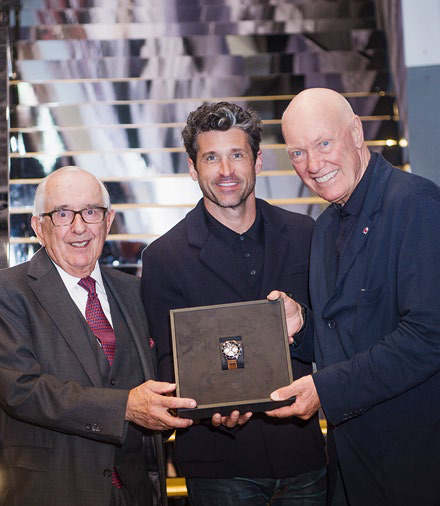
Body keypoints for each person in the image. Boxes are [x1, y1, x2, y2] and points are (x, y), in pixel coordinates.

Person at [141, 102, 327, 506]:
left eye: (237, 155)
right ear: (193, 169)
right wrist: (206, 406)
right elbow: (168, 361)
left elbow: (333, 336)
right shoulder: (163, 257)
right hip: (220, 465)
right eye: (211, 158)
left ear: (257, 161)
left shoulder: (304, 234)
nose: (226, 170)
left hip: (302, 455)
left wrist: (303, 326)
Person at [267, 88, 440, 506]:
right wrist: (302, 327)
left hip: (414, 463)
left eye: (324, 143)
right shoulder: (325, 227)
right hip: (352, 463)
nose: (313, 165)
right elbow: (347, 335)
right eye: (298, 153)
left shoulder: (415, 203)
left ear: (357, 133)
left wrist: (325, 390)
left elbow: (428, 336)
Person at [0, 166, 196, 506]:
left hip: (137, 489)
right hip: (53, 491)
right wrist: (124, 408)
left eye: (91, 212)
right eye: (63, 214)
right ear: (39, 227)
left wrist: (207, 405)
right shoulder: (8, 291)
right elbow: (21, 390)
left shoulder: (135, 291)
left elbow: (163, 375)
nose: (79, 227)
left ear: (109, 221)